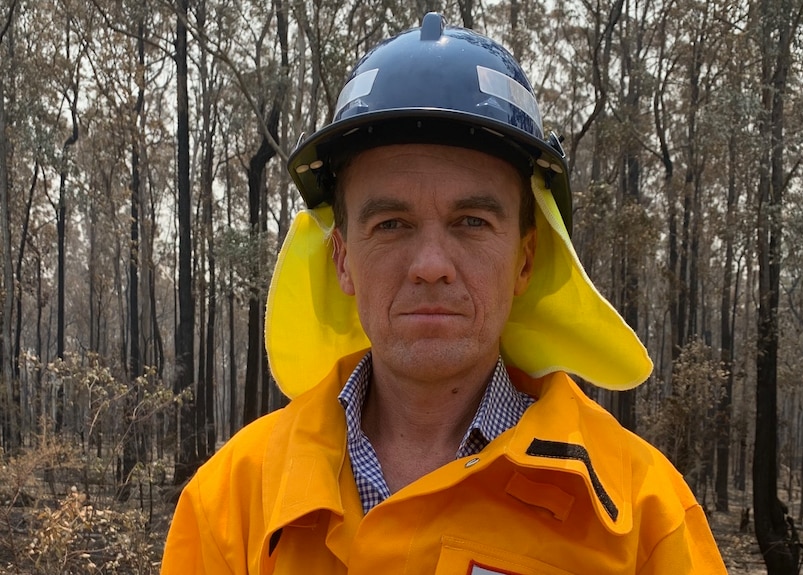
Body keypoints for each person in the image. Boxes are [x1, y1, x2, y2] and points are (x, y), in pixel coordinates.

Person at [161, 13, 727, 574]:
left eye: (472, 222)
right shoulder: (232, 502)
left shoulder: (643, 518)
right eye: (392, 224)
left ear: (524, 260)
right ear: (343, 260)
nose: (431, 267)